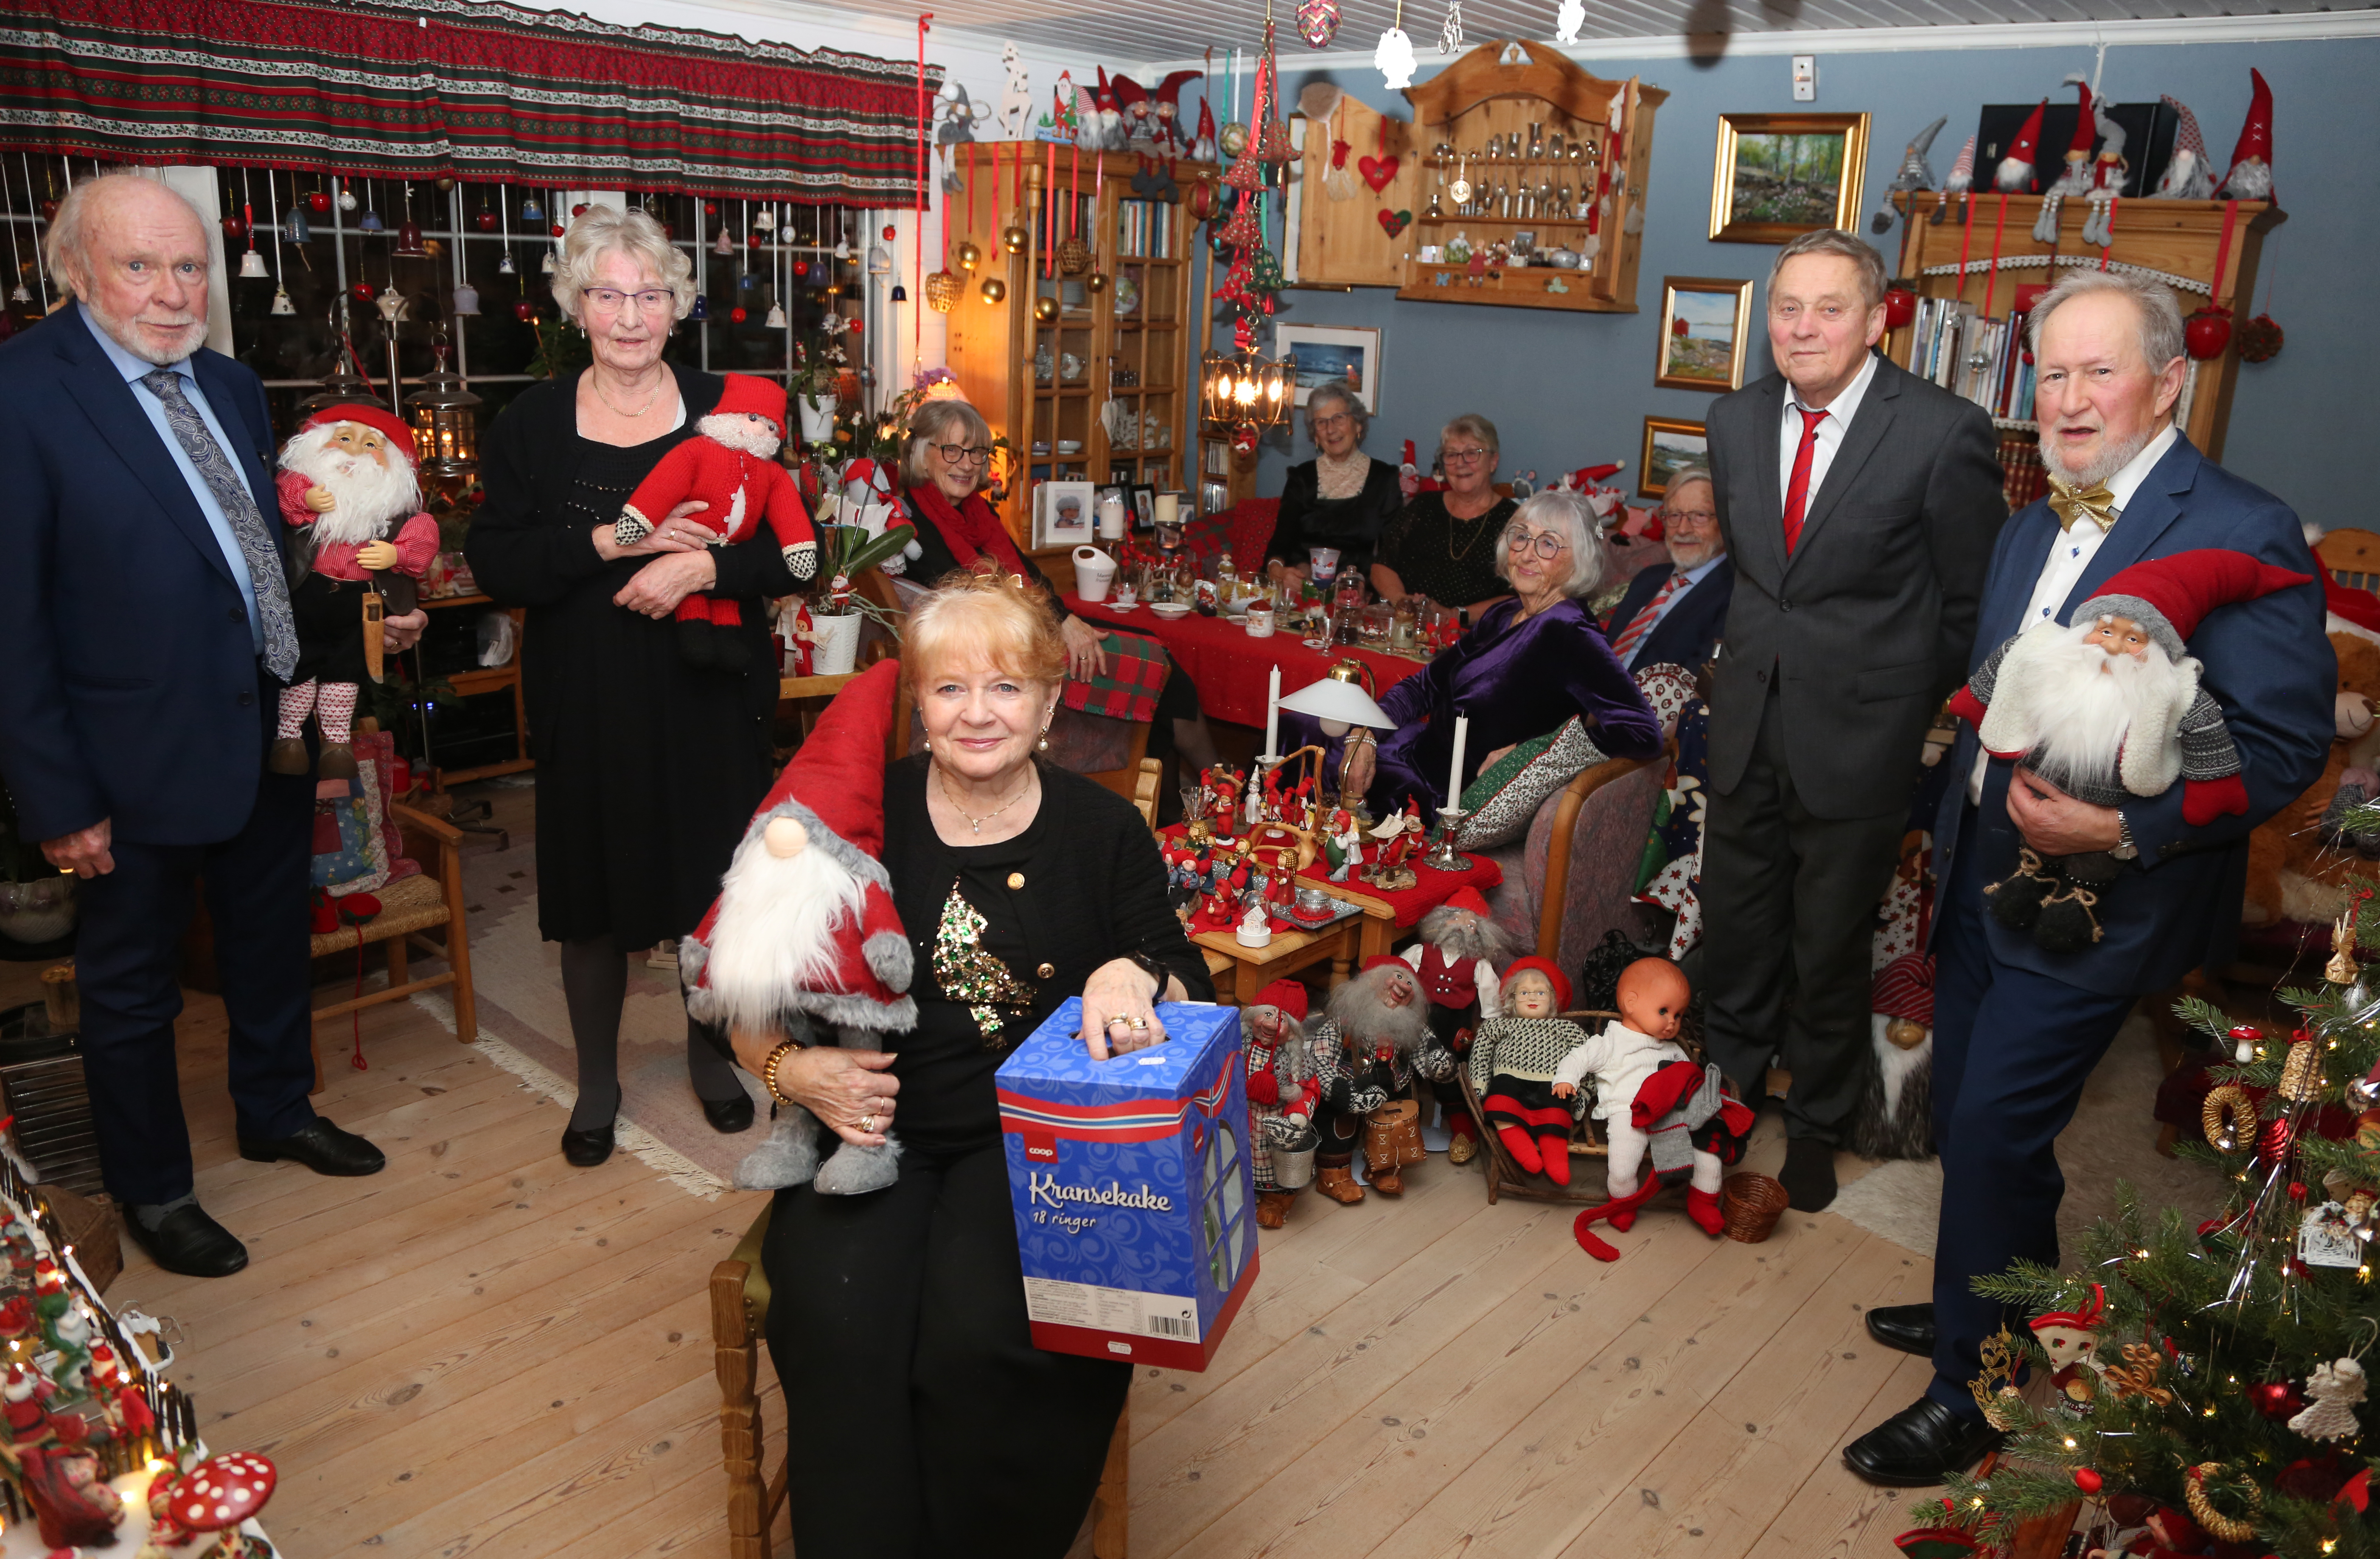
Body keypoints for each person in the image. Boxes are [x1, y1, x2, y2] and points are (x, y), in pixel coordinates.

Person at [1842, 268, 2333, 1486]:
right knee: (1965, 1117)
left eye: (2096, 370)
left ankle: (1976, 1388)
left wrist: (2119, 833)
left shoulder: (2242, 524)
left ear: (2169, 382)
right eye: (2051, 371)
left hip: (2098, 898)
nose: (2064, 397)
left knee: (2001, 1129)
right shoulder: (2029, 521)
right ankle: (1989, 1301)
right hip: (1977, 878)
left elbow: (2280, 747)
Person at [722, 572, 1215, 1557]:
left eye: (1005, 688)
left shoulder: (1101, 828)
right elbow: (741, 990)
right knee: (841, 1318)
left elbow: (1183, 968)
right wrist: (793, 1076)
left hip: (1037, 1144)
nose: (977, 713)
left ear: (1048, 702)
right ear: (917, 705)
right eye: (950, 689)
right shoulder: (850, 815)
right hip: (869, 1132)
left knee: (990, 1333)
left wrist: (1131, 973)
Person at [0, 173, 415, 1277]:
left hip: (268, 725)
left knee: (272, 938)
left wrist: (362, 595)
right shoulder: (22, 393)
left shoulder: (230, 384)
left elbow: (258, 553)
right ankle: (155, 1188)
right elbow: (11, 624)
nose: (175, 292)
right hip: (125, 761)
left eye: (189, 266)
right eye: (142, 266)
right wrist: (57, 799)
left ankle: (278, 1110)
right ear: (80, 273)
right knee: (130, 989)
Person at [464, 205, 783, 1165]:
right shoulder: (530, 423)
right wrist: (614, 540)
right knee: (593, 897)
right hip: (588, 699)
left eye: (650, 294)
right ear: (577, 305)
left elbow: (793, 553)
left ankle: (708, 1056)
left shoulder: (734, 406)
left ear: (679, 304)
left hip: (708, 695)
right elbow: (496, 562)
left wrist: (701, 571)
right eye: (608, 294)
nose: (631, 315)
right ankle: (597, 1079)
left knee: (706, 894)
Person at [1696, 229, 2007, 1215]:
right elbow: (1757, 582)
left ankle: (1822, 1123)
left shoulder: (1941, 429)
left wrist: (1908, 716)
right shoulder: (1733, 418)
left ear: (1878, 320)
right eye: (1787, 307)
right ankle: (1728, 1099)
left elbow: (1972, 603)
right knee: (1738, 933)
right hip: (1746, 722)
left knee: (1827, 947)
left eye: (1829, 308)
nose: (1803, 327)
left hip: (1862, 741)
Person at [897, 397, 1218, 770]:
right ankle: (1212, 783)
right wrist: (1058, 624)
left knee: (1159, 656)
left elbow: (1030, 575)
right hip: (997, 649)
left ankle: (1197, 787)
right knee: (1156, 665)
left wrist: (1063, 619)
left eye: (977, 452)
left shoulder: (976, 511)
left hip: (1025, 624)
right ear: (922, 453)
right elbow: (972, 595)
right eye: (952, 450)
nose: (967, 464)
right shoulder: (911, 520)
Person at [1337, 489, 1662, 823]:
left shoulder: (1571, 632)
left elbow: (1642, 733)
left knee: (1306, 763)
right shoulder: (1504, 612)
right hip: (1411, 756)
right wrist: (1365, 734)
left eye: (1548, 543)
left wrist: (1530, 753)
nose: (1526, 554)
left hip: (1442, 802)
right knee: (1312, 735)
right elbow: (1425, 687)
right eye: (1521, 537)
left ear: (1579, 558)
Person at [1371, 414, 1520, 617]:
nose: (1460, 463)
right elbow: (1382, 566)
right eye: (1451, 455)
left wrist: (1452, 615)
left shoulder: (1515, 521)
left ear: (1493, 461)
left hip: (1473, 637)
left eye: (1472, 453)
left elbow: (1517, 597)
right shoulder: (1424, 506)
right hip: (1408, 627)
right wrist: (1402, 602)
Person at [1264, 382, 1404, 591]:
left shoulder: (1384, 479)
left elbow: (1392, 557)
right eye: (1321, 422)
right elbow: (1279, 546)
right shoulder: (1301, 478)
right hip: (1303, 592)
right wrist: (1277, 572)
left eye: (1339, 418)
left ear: (1358, 425)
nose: (1331, 429)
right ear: (1316, 435)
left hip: (1357, 595)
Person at [1601, 466, 1734, 674]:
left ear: (1726, 521)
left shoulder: (1736, 597)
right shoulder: (1648, 578)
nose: (1682, 529)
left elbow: (1700, 683)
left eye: (1699, 516)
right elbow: (1605, 652)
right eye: (1674, 515)